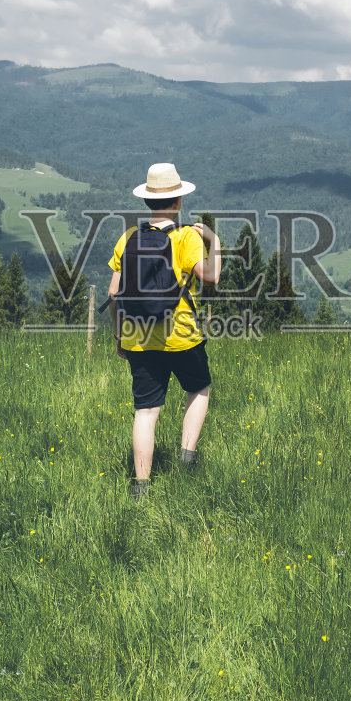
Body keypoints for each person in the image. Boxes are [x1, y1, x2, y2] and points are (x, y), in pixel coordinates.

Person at [109, 162, 221, 497]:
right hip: (181, 334)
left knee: (146, 411)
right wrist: (214, 241)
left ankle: (141, 486)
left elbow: (113, 294)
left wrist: (119, 336)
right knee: (199, 388)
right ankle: (186, 460)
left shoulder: (129, 237)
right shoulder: (187, 236)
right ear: (178, 201)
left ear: (147, 201)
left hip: (138, 337)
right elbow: (211, 276)